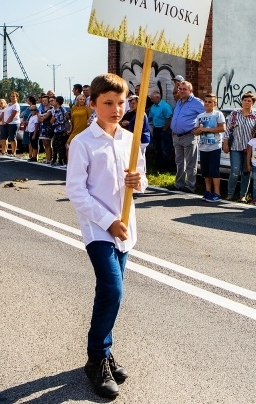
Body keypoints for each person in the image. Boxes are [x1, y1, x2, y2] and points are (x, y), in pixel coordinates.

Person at [65, 73, 147, 399]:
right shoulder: (83, 143)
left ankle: (105, 348)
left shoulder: (131, 138)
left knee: (114, 293)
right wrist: (108, 221)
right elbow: (76, 191)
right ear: (94, 104)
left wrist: (137, 181)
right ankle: (95, 359)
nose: (116, 109)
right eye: (108, 103)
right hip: (98, 228)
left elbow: (142, 183)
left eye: (121, 102)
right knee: (112, 289)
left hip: (125, 228)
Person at [223, 91, 256, 201]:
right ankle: (230, 194)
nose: (246, 102)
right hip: (235, 147)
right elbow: (228, 130)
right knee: (234, 171)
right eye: (244, 100)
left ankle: (242, 195)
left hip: (249, 150)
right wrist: (225, 143)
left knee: (246, 172)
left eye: (249, 101)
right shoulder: (235, 114)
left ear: (252, 103)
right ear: (242, 101)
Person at [170, 80, 205, 193]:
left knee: (190, 162)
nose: (182, 91)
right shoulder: (179, 101)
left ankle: (190, 186)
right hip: (176, 136)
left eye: (184, 89)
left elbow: (207, 115)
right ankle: (179, 184)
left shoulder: (197, 102)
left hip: (189, 136)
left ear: (190, 90)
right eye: (180, 88)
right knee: (179, 162)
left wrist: (200, 129)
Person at [193, 94, 225, 202]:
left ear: (215, 104)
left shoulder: (218, 114)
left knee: (214, 171)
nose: (207, 103)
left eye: (210, 102)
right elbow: (195, 131)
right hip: (203, 147)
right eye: (205, 101)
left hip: (214, 146)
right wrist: (197, 131)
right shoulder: (200, 116)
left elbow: (222, 128)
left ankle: (217, 193)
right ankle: (208, 191)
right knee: (205, 171)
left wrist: (207, 129)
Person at [147, 90, 173, 171]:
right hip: (156, 129)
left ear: (158, 97)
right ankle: (159, 164)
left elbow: (169, 118)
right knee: (157, 147)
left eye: (152, 98)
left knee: (164, 147)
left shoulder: (165, 106)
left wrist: (165, 129)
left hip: (163, 129)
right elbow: (150, 118)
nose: (151, 100)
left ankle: (166, 166)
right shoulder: (153, 107)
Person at [0, 91, 20, 155]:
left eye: (14, 96)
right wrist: (3, 121)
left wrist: (7, 122)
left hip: (13, 123)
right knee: (3, 137)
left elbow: (12, 115)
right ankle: (4, 151)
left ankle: (14, 152)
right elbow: (4, 113)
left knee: (12, 138)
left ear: (17, 97)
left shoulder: (16, 105)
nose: (12, 97)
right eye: (11, 96)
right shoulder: (8, 104)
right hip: (5, 123)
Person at [49, 95, 68, 166]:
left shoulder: (58, 111)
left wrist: (53, 122)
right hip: (62, 129)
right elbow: (67, 117)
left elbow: (51, 121)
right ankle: (60, 160)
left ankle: (58, 160)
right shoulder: (63, 109)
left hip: (58, 130)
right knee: (60, 145)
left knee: (56, 145)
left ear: (57, 102)